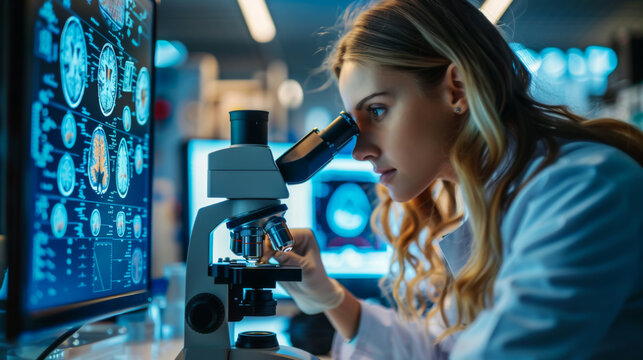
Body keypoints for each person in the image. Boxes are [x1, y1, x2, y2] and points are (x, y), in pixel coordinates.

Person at [261, 0, 643, 358]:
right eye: (353, 125)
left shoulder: (585, 190)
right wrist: (329, 296)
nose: (360, 151)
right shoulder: (494, 201)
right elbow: (440, 348)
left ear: (456, 88)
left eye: (377, 110)